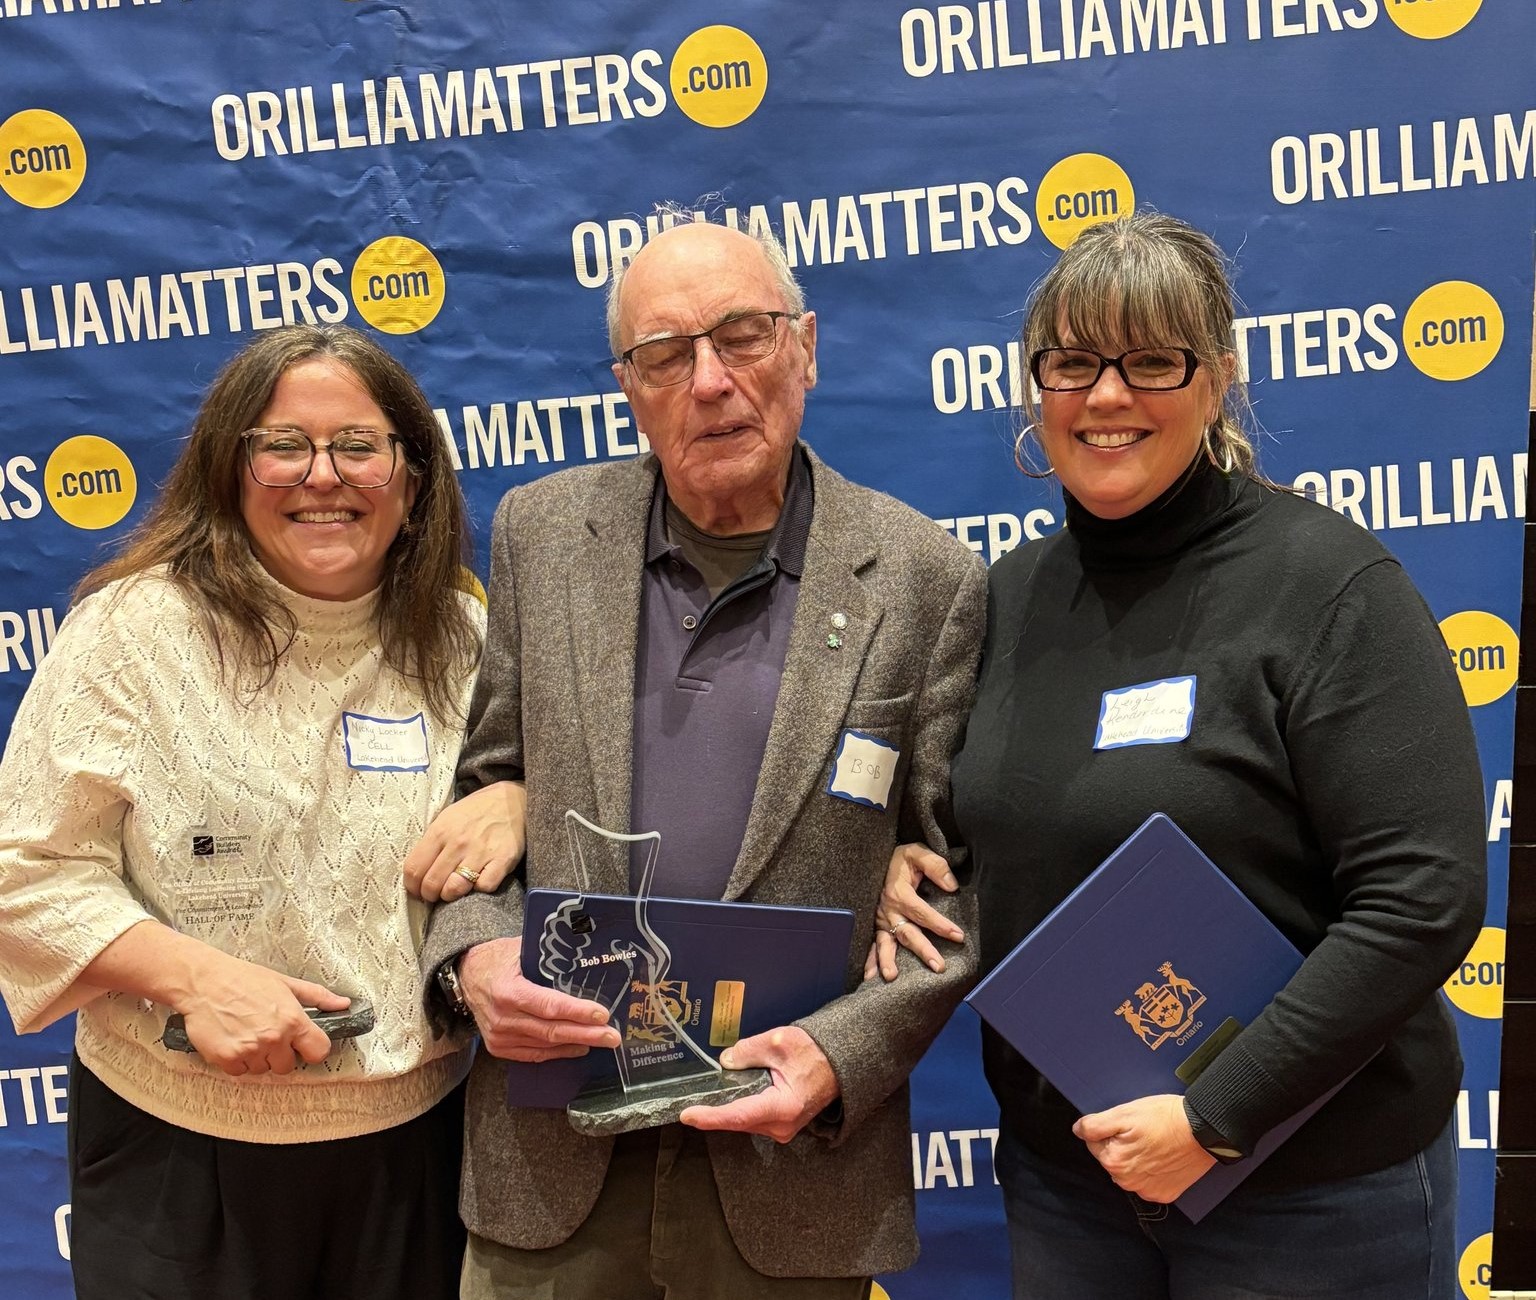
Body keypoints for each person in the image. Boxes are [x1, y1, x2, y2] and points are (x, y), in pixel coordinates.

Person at [871, 211, 1486, 1299]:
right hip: (1072, 1186)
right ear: (1033, 389)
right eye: (1071, 362)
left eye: (1152, 360)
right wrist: (907, 864)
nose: (1107, 396)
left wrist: (1215, 1114)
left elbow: (1422, 897)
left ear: (1218, 380)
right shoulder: (1005, 599)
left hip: (1310, 1193)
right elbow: (980, 829)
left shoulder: (1331, 588)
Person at [420, 215, 987, 1300]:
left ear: (807, 346)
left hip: (789, 1171)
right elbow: (483, 797)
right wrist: (477, 964)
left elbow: (958, 883)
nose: (712, 382)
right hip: (555, 1163)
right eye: (667, 355)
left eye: (744, 336)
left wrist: (838, 1055)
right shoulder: (543, 534)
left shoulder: (927, 577)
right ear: (629, 384)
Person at [0, 323, 495, 1300]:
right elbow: (25, 872)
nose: (324, 475)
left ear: (412, 473)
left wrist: (512, 808)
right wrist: (193, 978)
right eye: (285, 445)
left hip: (425, 1155)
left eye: (358, 444)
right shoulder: (133, 633)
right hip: (178, 1161)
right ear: (230, 467)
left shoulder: (467, 640)